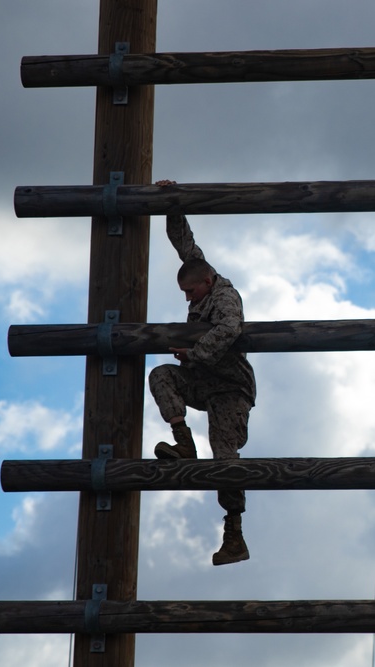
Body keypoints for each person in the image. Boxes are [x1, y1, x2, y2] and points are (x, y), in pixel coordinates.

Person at [149, 179, 257, 566]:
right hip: (202, 382)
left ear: (207, 284)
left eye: (191, 294)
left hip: (229, 387)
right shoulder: (200, 275)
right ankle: (182, 442)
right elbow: (185, 246)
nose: (187, 299)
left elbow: (230, 330)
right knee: (161, 375)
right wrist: (172, 201)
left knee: (225, 456)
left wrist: (194, 354)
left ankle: (234, 534)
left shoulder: (225, 295)